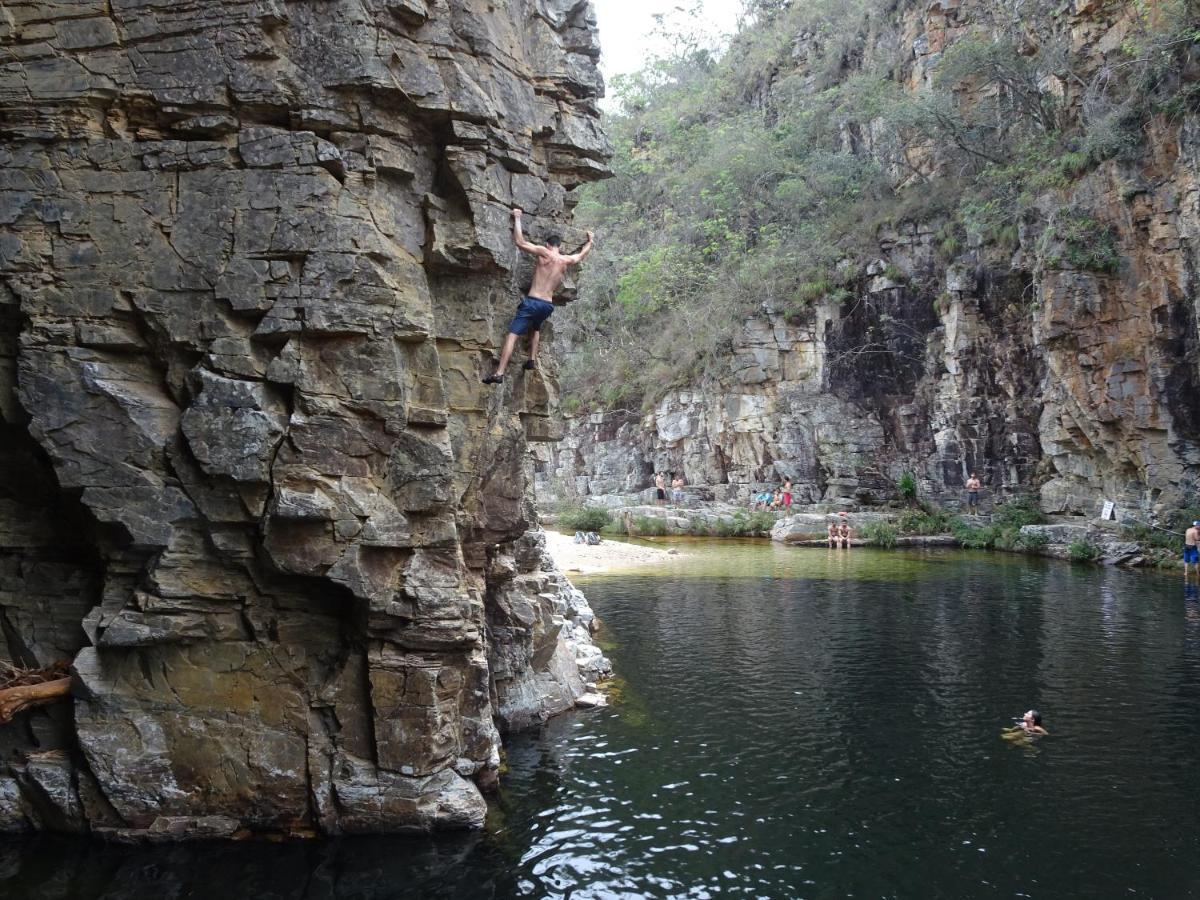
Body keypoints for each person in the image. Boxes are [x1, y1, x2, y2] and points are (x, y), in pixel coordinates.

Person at [482, 208, 594, 384]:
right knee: (536, 328)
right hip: (547, 306)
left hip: (533, 301)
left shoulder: (545, 252)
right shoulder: (566, 260)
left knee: (512, 335)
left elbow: (520, 242)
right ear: (560, 247)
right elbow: (581, 255)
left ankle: (499, 373)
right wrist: (590, 240)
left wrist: (517, 218)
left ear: (548, 245)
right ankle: (531, 359)